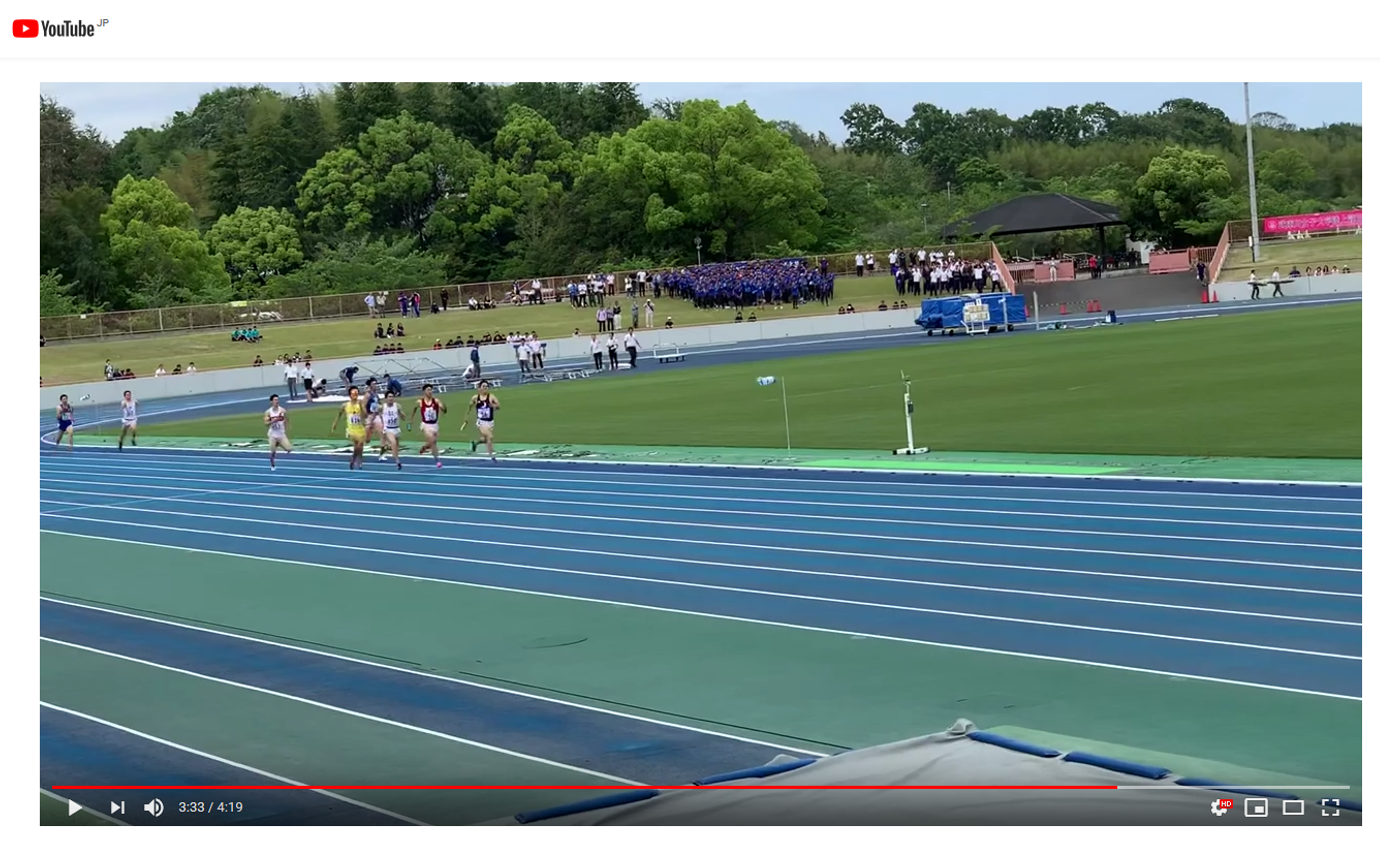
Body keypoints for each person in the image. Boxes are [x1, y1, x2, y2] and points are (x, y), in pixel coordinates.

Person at [330, 386, 369, 470]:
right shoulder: (345, 405)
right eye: (353, 393)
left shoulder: (360, 404)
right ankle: (356, 460)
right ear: (350, 395)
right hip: (351, 429)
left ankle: (356, 460)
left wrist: (361, 407)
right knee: (358, 445)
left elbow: (365, 415)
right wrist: (334, 424)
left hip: (360, 428)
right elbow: (339, 415)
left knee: (360, 446)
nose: (355, 395)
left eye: (356, 393)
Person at [463, 379, 500, 462]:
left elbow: (498, 406)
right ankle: (492, 455)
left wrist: (493, 406)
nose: (485, 388)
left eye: (486, 386)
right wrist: (466, 417)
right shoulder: (475, 398)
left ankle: (476, 443)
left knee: (485, 439)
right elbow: (470, 407)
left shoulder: (491, 397)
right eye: (483, 386)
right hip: (481, 422)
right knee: (490, 436)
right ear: (479, 388)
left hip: (490, 421)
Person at [411, 383, 447, 468]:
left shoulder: (436, 401)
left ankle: (424, 447)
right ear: (424, 391)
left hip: (435, 424)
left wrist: (443, 407)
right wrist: (411, 419)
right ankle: (437, 461)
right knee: (433, 441)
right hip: (425, 424)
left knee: (431, 442)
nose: (430, 391)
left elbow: (444, 410)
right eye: (428, 390)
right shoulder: (420, 402)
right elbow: (414, 409)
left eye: (431, 390)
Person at [264, 393, 291, 470]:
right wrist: (274, 420)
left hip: (281, 433)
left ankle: (278, 443)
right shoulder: (268, 412)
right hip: (272, 434)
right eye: (275, 400)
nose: (277, 401)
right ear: (271, 401)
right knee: (273, 452)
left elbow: (286, 419)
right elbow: (266, 423)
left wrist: (285, 428)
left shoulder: (282, 410)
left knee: (289, 449)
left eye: (277, 399)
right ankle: (272, 465)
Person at [380, 392, 405, 469]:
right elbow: (375, 414)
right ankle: (397, 461)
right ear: (386, 398)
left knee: (396, 446)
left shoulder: (397, 406)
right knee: (393, 443)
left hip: (396, 428)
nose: (391, 398)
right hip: (388, 428)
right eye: (389, 397)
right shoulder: (382, 407)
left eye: (392, 397)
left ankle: (391, 452)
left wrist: (400, 413)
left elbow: (403, 418)